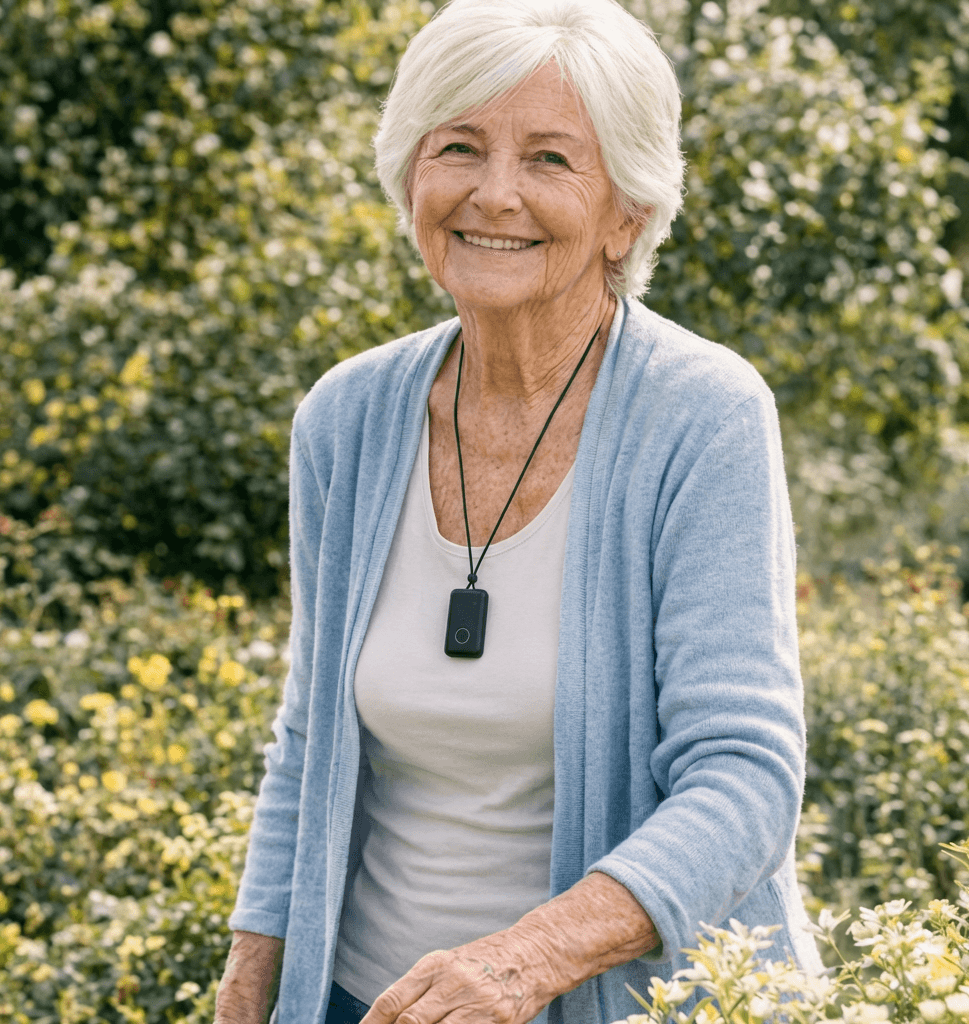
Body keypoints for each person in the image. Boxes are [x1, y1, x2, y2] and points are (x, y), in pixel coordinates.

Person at [215, 0, 824, 1022]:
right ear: (410, 175)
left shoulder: (703, 415)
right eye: (458, 146)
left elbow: (744, 777)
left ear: (627, 210)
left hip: (606, 998)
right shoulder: (346, 417)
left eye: (549, 159)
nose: (493, 193)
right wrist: (250, 984)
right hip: (367, 998)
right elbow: (311, 739)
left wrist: (523, 962)